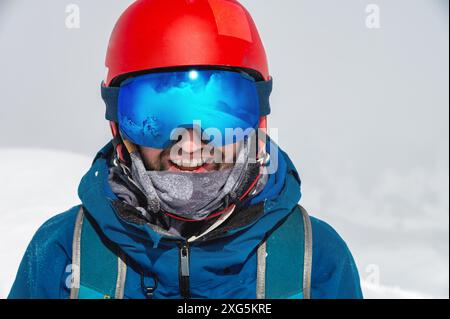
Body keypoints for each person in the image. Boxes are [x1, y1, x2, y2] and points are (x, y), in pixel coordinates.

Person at [9, 0, 363, 299]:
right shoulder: (65, 253)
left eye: (218, 116)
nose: (190, 146)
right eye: (157, 118)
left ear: (256, 122)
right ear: (121, 129)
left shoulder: (314, 260)